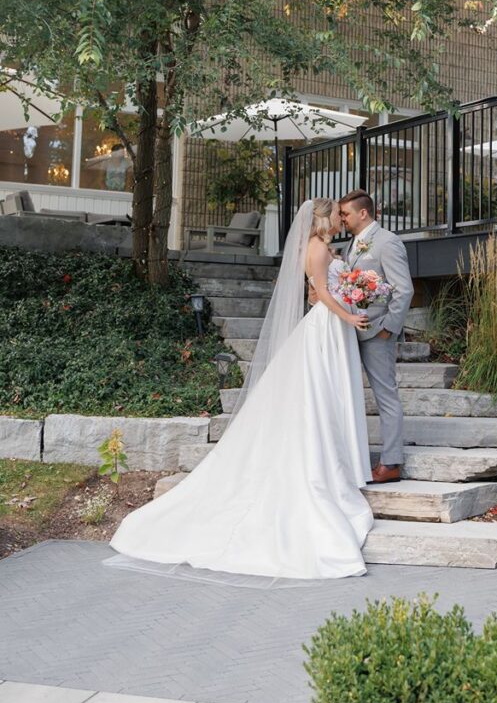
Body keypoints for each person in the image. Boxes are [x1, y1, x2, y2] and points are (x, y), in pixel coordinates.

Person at [106, 198, 374, 580]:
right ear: (322, 219)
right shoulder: (316, 250)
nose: (339, 220)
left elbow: (317, 292)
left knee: (327, 397)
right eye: (335, 215)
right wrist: (348, 311)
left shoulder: (326, 248)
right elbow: (320, 294)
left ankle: (340, 458)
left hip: (333, 327)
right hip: (326, 327)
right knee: (317, 398)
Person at [311, 190, 414, 484]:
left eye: (345, 214)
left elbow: (403, 290)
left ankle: (391, 462)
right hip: (347, 330)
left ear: (363, 213)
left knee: (385, 395)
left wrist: (388, 328)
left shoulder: (387, 242)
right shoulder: (349, 245)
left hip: (377, 331)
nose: (341, 219)